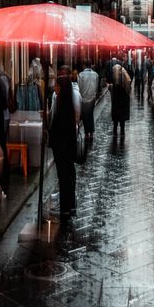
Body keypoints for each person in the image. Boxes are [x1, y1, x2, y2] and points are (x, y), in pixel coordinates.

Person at [49, 66, 80, 219]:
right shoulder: (70, 101)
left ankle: (65, 208)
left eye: (56, 85)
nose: (54, 88)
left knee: (63, 177)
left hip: (60, 146)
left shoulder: (60, 103)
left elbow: (53, 123)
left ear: (60, 87)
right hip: (69, 144)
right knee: (69, 175)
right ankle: (70, 205)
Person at [78, 59, 99, 140]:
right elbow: (96, 87)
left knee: (85, 116)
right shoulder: (96, 75)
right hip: (92, 98)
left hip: (83, 98)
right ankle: (91, 132)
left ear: (84, 65)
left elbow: (79, 88)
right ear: (91, 65)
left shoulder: (81, 75)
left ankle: (87, 133)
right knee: (90, 115)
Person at [110, 63, 131, 137]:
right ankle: (122, 131)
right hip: (122, 99)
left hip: (117, 99)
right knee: (121, 116)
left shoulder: (116, 79)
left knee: (116, 116)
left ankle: (116, 130)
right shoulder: (125, 76)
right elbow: (128, 88)